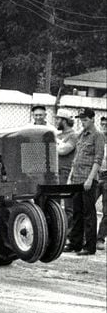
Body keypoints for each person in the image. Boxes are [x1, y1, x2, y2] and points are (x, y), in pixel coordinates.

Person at [64, 108, 105, 255]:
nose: (83, 122)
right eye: (81, 119)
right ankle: (75, 243)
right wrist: (70, 176)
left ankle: (89, 246)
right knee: (77, 212)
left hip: (88, 179)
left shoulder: (98, 135)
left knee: (89, 213)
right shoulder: (81, 135)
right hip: (77, 178)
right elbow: (76, 159)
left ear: (93, 119)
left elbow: (98, 159)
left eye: (85, 119)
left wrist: (90, 179)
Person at [55, 108, 78, 231]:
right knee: (55, 203)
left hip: (66, 172)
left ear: (64, 121)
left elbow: (64, 150)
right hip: (55, 172)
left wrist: (55, 143)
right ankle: (57, 232)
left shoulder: (74, 135)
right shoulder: (58, 135)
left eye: (58, 119)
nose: (56, 121)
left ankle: (69, 233)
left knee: (69, 206)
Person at [96, 116, 107, 250]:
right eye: (103, 124)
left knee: (106, 211)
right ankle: (85, 237)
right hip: (96, 175)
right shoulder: (97, 138)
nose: (105, 127)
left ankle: (100, 239)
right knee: (87, 206)